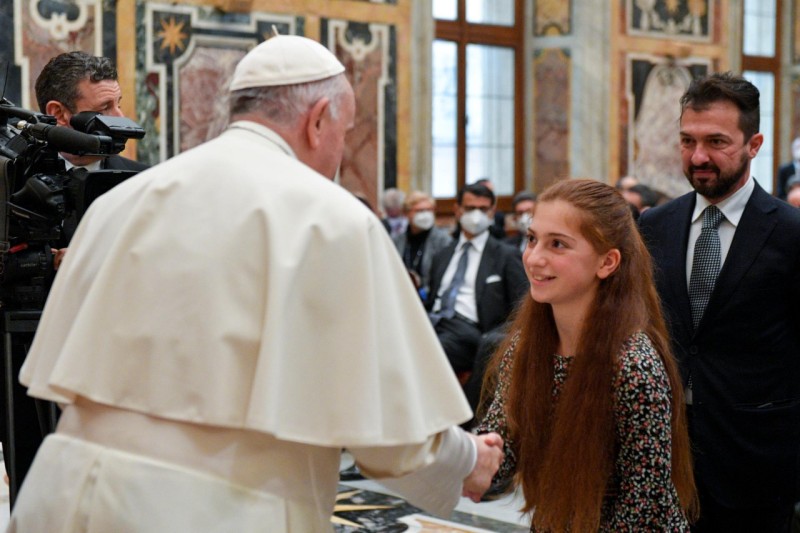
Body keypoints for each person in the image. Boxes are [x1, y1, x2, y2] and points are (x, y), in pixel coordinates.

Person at [7, 35, 504, 532]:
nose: (341, 151)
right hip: (213, 509)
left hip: (67, 497)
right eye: (345, 133)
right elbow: (395, 435)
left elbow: (60, 367)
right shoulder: (331, 220)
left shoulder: (123, 200)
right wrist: (469, 460)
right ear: (318, 120)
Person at [476, 178, 698, 531]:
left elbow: (643, 504)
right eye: (532, 239)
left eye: (557, 244)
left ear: (607, 262)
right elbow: (503, 440)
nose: (534, 258)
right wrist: (465, 455)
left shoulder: (633, 364)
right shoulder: (526, 345)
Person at [639, 72, 800, 531]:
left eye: (716, 142)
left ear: (754, 144)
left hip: (756, 460)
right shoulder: (655, 225)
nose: (698, 157)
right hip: (665, 455)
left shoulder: (790, 233)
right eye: (687, 141)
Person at [0, 51, 149, 502]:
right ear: (58, 114)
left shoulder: (144, 183)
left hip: (118, 371)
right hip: (24, 362)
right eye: (104, 108)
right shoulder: (11, 178)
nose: (119, 119)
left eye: (119, 103)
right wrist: (49, 261)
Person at [426, 182, 528, 379]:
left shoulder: (506, 255)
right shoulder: (443, 255)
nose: (476, 215)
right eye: (470, 208)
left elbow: (521, 307)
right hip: (433, 323)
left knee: (429, 351)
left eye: (483, 209)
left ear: (492, 212)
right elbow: (431, 300)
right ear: (457, 210)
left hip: (471, 331)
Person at [393, 190, 453, 299]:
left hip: (430, 299)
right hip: (400, 296)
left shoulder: (443, 240)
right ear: (406, 213)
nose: (425, 215)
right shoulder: (397, 240)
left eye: (429, 210)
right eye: (420, 211)